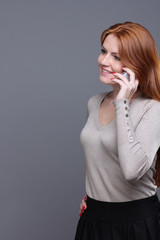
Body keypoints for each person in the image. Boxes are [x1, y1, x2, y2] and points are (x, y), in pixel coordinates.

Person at [74, 21, 160, 240]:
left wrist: (122, 103)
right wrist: (91, 197)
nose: (104, 61)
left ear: (136, 63)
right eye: (103, 51)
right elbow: (98, 156)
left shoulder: (153, 109)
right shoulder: (94, 102)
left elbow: (132, 171)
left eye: (116, 57)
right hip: (93, 217)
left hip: (136, 224)